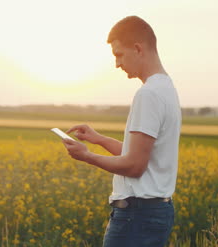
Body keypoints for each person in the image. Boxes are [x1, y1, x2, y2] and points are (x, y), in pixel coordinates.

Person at [62, 16, 181, 247]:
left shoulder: (148, 95)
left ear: (138, 48)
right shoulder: (166, 88)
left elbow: (134, 166)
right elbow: (142, 156)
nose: (117, 64)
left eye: (119, 54)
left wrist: (86, 155)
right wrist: (99, 139)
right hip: (153, 213)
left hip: (136, 216)